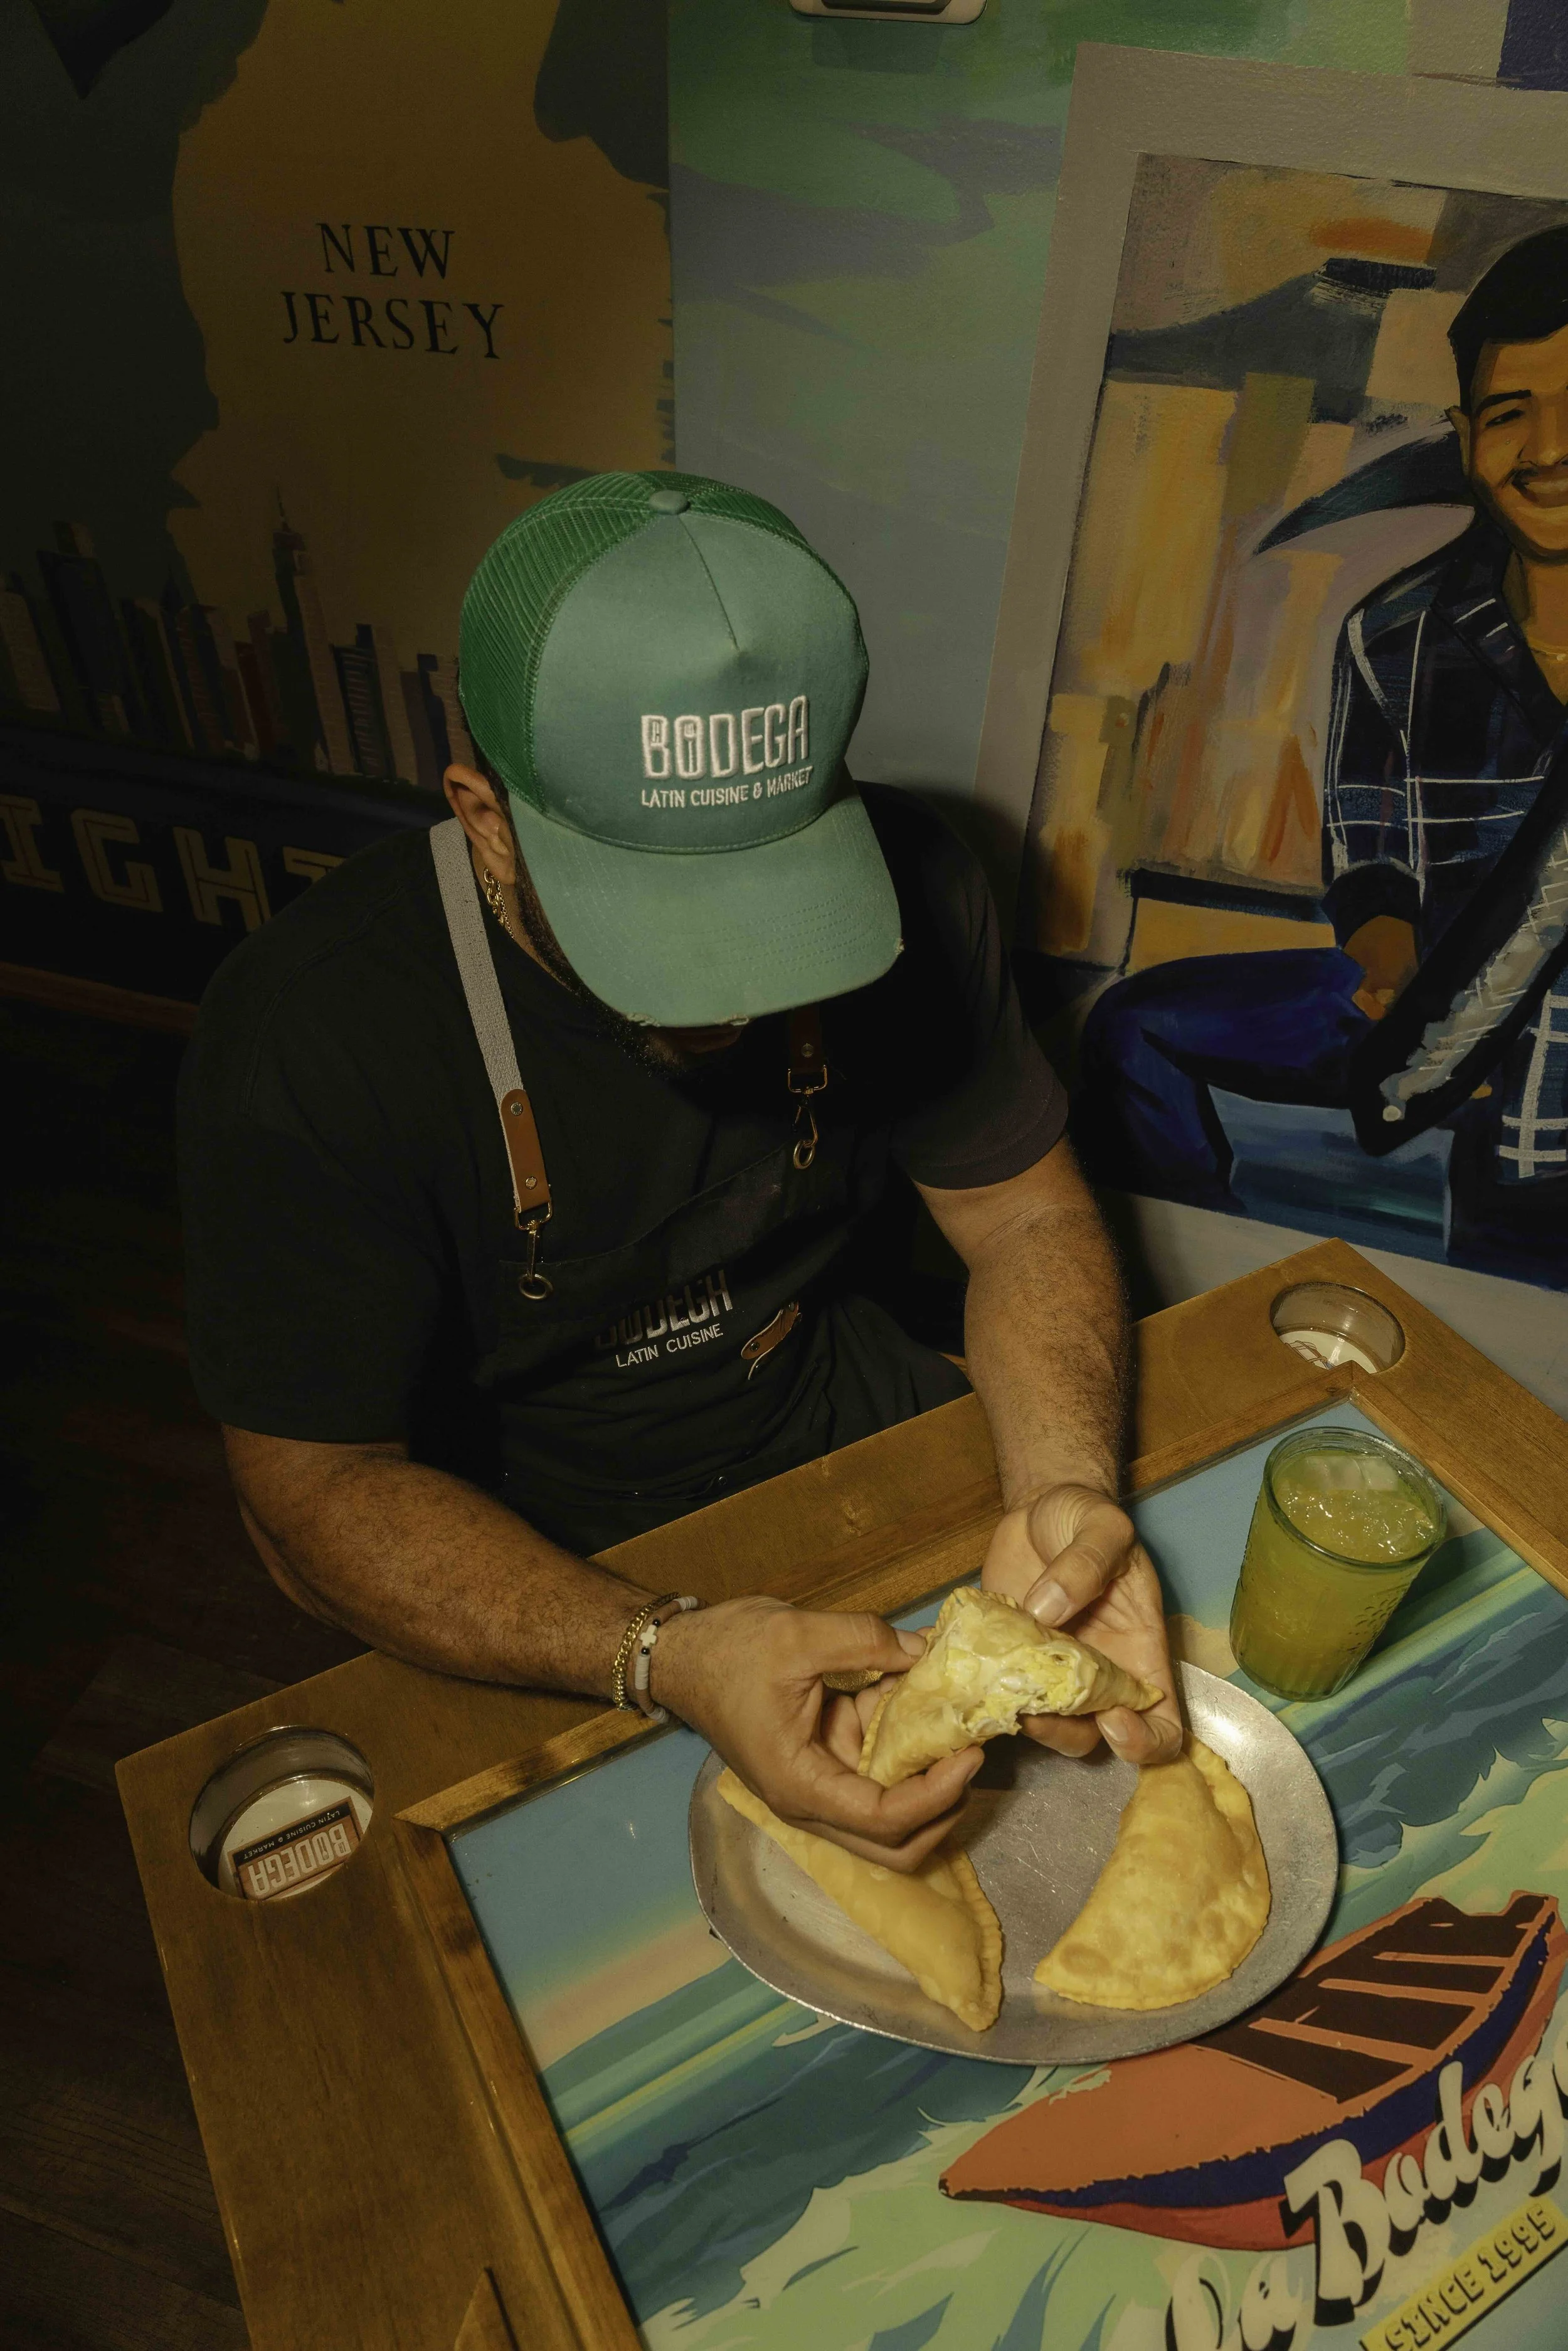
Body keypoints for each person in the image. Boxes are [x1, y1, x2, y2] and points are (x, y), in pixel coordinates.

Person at [179, 470, 1177, 1871]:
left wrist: (1057, 1494)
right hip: (524, 1528)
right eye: (655, 909)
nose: (730, 991)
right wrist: (660, 1650)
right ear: (483, 815)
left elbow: (1019, 1210)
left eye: (772, 891)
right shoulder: (309, 1035)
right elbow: (312, 1485)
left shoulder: (924, 885)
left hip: (830, 1414)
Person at [1075, 225, 1568, 1287]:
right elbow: (1372, 856)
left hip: (1546, 1085)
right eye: (1508, 414)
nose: (1548, 448)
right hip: (1432, 1016)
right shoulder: (1393, 633)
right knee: (1135, 1028)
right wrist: (1391, 965)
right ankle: (1196, 1293)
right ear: (1461, 429)